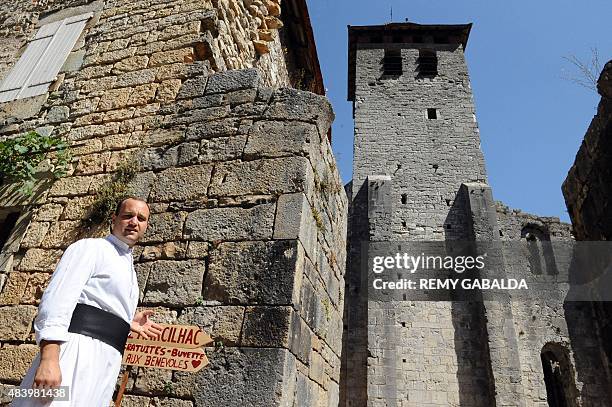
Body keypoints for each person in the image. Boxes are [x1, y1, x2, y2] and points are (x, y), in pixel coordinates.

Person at [12, 197, 162, 406]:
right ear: (114, 218)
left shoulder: (129, 268)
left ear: (146, 225)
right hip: (75, 354)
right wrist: (49, 359)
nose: (134, 222)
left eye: (141, 218)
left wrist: (126, 321)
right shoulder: (90, 248)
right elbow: (57, 300)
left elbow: (98, 302)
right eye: (128, 216)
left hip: (105, 364)